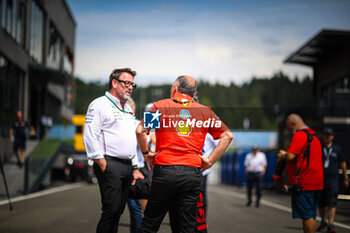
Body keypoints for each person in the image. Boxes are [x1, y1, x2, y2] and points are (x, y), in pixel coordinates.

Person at [136, 75, 233, 233]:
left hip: (164, 171)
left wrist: (147, 153)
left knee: (150, 224)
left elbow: (140, 131)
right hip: (191, 173)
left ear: (174, 89)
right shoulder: (204, 112)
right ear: (194, 94)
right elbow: (227, 136)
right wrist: (209, 161)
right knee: (186, 227)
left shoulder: (159, 106)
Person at [83, 68, 144, 233]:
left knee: (118, 212)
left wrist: (135, 166)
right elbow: (90, 135)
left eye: (133, 84)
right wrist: (101, 161)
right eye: (126, 83)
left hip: (127, 166)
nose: (130, 87)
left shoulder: (126, 108)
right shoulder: (99, 104)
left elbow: (130, 140)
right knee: (111, 210)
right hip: (110, 164)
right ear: (114, 82)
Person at [277, 113, 323, 233]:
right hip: (316, 182)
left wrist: (283, 154)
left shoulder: (300, 135)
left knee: (307, 215)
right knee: (311, 214)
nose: (289, 131)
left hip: (303, 183)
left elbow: (291, 156)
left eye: (288, 128)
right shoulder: (314, 135)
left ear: (293, 125)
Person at [317, 127, 349, 233]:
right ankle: (323, 220)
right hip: (320, 179)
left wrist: (345, 177)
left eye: (329, 135)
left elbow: (343, 163)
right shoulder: (319, 148)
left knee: (332, 202)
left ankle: (331, 223)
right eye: (325, 134)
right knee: (321, 203)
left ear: (333, 137)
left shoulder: (337, 149)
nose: (327, 136)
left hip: (333, 179)